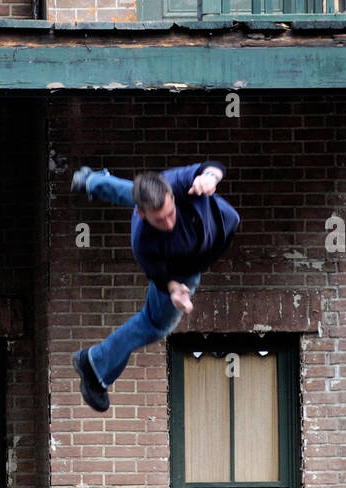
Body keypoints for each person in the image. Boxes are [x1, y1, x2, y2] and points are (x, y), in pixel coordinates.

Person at [70, 161, 240, 412]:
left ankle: (91, 181)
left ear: (173, 196)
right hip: (184, 269)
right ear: (142, 215)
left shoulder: (177, 184)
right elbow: (161, 277)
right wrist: (175, 290)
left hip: (215, 225)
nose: (169, 224)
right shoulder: (144, 243)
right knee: (155, 325)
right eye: (160, 221)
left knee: (144, 190)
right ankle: (93, 363)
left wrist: (210, 177)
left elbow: (212, 166)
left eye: (170, 214)